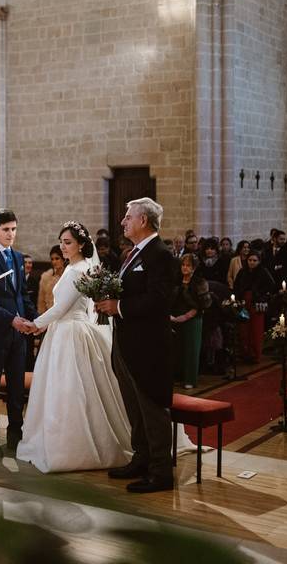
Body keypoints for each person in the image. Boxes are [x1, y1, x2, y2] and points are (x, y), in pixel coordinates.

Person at [15, 222, 131, 473]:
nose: (63, 247)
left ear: (81, 244)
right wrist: (42, 326)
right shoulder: (81, 267)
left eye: (68, 243)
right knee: (69, 390)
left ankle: (71, 448)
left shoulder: (77, 270)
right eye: (61, 242)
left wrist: (35, 325)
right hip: (66, 329)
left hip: (70, 333)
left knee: (71, 390)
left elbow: (60, 308)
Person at [95, 197, 176, 493]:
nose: (123, 221)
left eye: (128, 217)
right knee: (134, 407)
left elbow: (160, 299)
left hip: (149, 347)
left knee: (151, 408)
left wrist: (119, 307)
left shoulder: (160, 254)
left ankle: (161, 472)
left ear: (143, 221)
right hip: (127, 343)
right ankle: (141, 459)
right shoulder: (133, 254)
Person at [0, 209, 38, 456]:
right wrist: (11, 320)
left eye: (13, 229)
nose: (10, 234)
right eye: (5, 230)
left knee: (15, 388)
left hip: (19, 334)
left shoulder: (19, 257)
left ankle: (15, 436)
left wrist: (37, 319)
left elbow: (22, 295)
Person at [171, 254, 211, 389]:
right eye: (183, 265)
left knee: (191, 349)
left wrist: (186, 316)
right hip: (175, 318)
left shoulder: (200, 282)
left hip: (193, 319)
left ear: (194, 268)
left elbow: (203, 305)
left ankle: (190, 379)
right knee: (178, 348)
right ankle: (179, 376)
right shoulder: (176, 280)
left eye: (188, 265)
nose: (185, 268)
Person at [233, 250, 277, 363]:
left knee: (256, 329)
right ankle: (245, 353)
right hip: (244, 301)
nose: (252, 262)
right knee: (244, 328)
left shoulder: (263, 271)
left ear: (259, 261)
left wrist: (261, 295)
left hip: (256, 303)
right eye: (250, 260)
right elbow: (237, 285)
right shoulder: (243, 272)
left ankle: (255, 354)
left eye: (254, 260)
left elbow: (271, 286)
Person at [37, 245, 65, 314]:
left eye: (57, 258)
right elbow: (41, 300)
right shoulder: (46, 277)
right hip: (50, 315)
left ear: (63, 258)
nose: (54, 262)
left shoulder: (69, 274)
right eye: (52, 259)